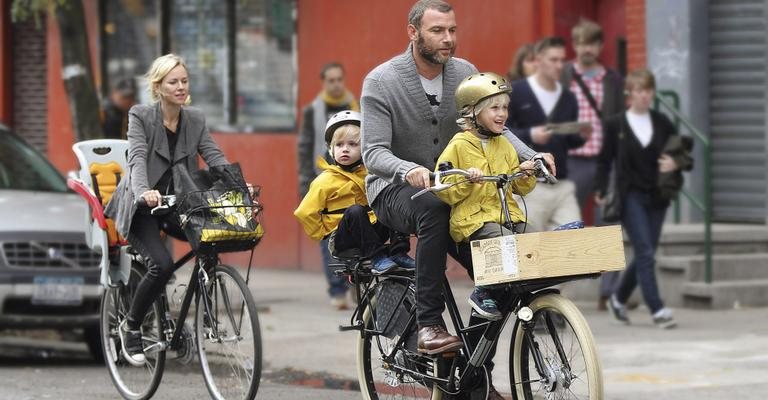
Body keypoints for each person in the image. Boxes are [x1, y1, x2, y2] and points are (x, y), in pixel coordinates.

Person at [361, 1, 553, 398]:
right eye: (437, 31)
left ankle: (471, 382)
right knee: (432, 207)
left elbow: (495, 128)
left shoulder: (465, 74)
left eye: (452, 29)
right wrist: (406, 169)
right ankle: (429, 325)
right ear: (412, 32)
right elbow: (373, 153)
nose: (448, 38)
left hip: (458, 191)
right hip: (396, 190)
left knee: (499, 277)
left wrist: (529, 157)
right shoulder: (381, 81)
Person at [105, 54, 230, 364]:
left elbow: (214, 156)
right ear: (158, 87)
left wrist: (238, 183)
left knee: (212, 239)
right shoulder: (140, 115)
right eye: (173, 82)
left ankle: (205, 316)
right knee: (160, 264)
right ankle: (131, 326)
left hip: (178, 203)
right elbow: (135, 157)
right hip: (141, 206)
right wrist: (144, 191)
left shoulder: (195, 119)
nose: (180, 87)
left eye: (184, 81)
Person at [435, 72, 537, 321]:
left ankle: (531, 295)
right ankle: (483, 291)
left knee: (533, 238)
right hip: (473, 223)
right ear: (471, 112)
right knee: (503, 242)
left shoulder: (505, 145)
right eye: (494, 108)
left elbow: (519, 189)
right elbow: (444, 188)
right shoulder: (458, 145)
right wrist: (466, 181)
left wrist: (523, 174)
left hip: (505, 215)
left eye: (505, 108)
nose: (502, 114)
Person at [595, 69, 682, 329]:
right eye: (638, 91)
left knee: (647, 253)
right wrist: (600, 189)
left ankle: (618, 300)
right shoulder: (615, 124)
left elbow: (682, 153)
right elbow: (604, 159)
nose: (643, 96)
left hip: (658, 196)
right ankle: (657, 308)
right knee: (644, 251)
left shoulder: (662, 122)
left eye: (647, 91)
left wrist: (675, 162)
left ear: (652, 93)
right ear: (629, 94)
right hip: (629, 194)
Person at [294, 111, 415, 277]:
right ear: (331, 149)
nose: (345, 149)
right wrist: (323, 233)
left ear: (364, 148)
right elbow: (305, 212)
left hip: (370, 232)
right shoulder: (324, 181)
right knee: (356, 210)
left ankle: (398, 252)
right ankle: (376, 258)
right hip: (343, 238)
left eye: (352, 144)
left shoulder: (370, 174)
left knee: (390, 203)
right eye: (339, 145)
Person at [560, 19, 625, 310]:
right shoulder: (562, 77)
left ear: (599, 46)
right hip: (572, 162)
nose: (586, 49)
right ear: (575, 45)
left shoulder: (612, 80)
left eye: (591, 43)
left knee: (609, 225)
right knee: (562, 226)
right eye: (581, 43)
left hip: (605, 162)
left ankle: (608, 294)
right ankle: (555, 292)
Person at [506, 36, 591, 232]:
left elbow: (567, 142)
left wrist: (581, 136)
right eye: (554, 60)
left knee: (574, 241)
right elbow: (501, 132)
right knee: (530, 250)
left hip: (562, 185)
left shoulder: (568, 97)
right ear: (538, 60)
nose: (560, 65)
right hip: (529, 186)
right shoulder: (516, 92)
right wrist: (530, 134)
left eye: (562, 60)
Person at [297, 62, 360, 310]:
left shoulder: (355, 108)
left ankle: (357, 283)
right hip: (323, 180)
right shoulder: (313, 110)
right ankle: (337, 289)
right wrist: (305, 183)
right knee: (329, 241)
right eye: (330, 80)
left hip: (353, 182)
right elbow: (304, 147)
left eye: (339, 79)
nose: (335, 84)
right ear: (323, 82)